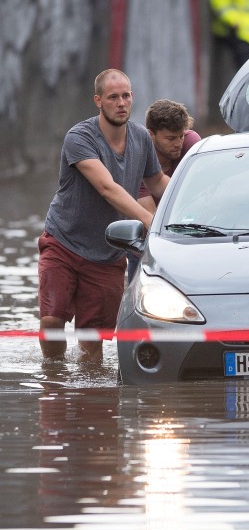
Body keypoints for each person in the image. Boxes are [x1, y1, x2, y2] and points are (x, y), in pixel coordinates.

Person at [37, 69, 169, 365]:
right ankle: (54, 380)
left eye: (126, 96)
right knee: (52, 321)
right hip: (64, 243)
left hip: (107, 255)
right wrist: (150, 221)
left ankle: (89, 400)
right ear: (98, 101)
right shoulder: (79, 137)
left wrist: (194, 193)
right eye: (113, 97)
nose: (121, 103)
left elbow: (158, 180)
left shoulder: (141, 138)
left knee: (92, 345)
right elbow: (107, 187)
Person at [126, 99, 202, 282]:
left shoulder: (191, 143)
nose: (178, 143)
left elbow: (204, 194)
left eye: (181, 136)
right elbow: (150, 221)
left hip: (193, 238)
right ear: (151, 135)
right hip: (146, 244)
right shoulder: (138, 158)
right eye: (170, 138)